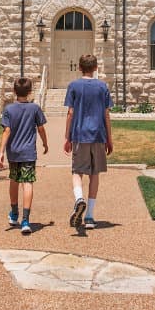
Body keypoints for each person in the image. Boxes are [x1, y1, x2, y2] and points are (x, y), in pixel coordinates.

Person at [63, 53, 113, 232]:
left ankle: (78, 199)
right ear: (96, 68)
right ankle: (90, 216)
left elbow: (70, 112)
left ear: (79, 67)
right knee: (95, 174)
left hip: (79, 135)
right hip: (98, 135)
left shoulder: (74, 86)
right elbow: (107, 114)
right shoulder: (102, 86)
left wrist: (67, 137)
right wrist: (109, 138)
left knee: (77, 171)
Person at [0, 77, 48, 235]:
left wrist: (1, 152)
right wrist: (45, 143)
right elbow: (40, 129)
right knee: (27, 183)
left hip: (14, 152)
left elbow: (7, 131)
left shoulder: (9, 109)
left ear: (14, 91)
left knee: (14, 180)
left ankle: (14, 213)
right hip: (28, 152)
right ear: (30, 92)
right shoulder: (35, 108)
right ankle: (26, 220)